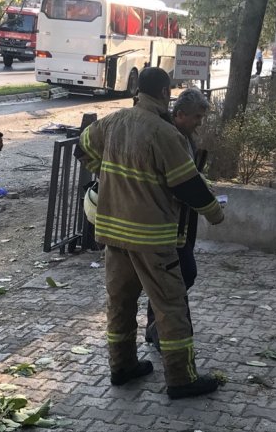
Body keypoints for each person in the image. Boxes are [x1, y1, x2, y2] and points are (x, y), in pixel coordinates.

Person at [76, 68, 224, 400]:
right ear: (162, 92)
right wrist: (214, 212)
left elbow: (81, 147)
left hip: (114, 234)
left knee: (121, 303)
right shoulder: (164, 133)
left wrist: (104, 173)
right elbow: (187, 184)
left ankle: (122, 366)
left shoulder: (112, 122)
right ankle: (181, 378)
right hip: (152, 238)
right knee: (170, 306)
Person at [144, 87, 210, 352]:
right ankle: (164, 329)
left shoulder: (184, 136)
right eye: (196, 117)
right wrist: (212, 208)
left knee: (174, 277)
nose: (199, 123)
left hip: (184, 218)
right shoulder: (169, 137)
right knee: (182, 274)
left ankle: (157, 327)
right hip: (170, 222)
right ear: (180, 114)